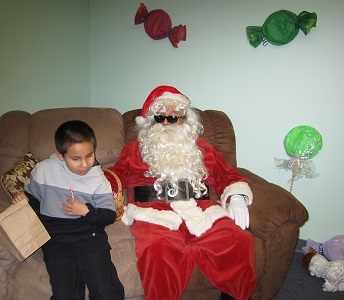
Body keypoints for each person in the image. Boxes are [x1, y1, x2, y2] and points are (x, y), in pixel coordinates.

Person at [105, 85, 257, 300]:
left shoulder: (204, 148)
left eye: (174, 117)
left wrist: (237, 197)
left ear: (186, 120)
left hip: (201, 210)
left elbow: (228, 176)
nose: (166, 123)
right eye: (160, 118)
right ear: (150, 121)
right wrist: (89, 184)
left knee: (239, 241)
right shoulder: (134, 149)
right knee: (158, 251)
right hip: (154, 213)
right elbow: (116, 176)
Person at [12, 120, 124, 300]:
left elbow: (109, 215)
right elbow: (34, 199)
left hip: (90, 237)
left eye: (89, 155)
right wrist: (23, 199)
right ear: (60, 155)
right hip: (56, 240)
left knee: (105, 291)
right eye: (76, 159)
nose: (85, 164)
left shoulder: (99, 179)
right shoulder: (43, 170)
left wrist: (87, 211)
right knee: (64, 293)